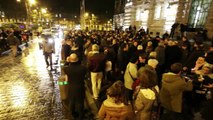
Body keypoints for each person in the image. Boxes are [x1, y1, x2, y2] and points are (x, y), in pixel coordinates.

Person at [63, 53, 87, 120]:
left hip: (71, 87)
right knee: (80, 102)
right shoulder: (83, 68)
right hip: (80, 87)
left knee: (71, 101)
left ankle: (72, 114)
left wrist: (67, 61)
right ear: (77, 59)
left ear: (70, 59)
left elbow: (64, 67)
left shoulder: (67, 69)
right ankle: (81, 115)